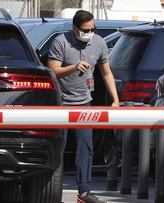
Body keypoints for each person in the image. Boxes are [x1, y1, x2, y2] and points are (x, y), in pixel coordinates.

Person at [48, 10, 119, 203]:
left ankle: (84, 193)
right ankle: (51, 192)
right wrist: (73, 67)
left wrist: (115, 99)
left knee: (85, 149)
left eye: (92, 29)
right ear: (75, 28)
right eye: (85, 30)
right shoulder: (61, 41)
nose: (89, 32)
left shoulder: (99, 43)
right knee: (57, 149)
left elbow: (106, 72)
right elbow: (52, 71)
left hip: (84, 103)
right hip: (60, 102)